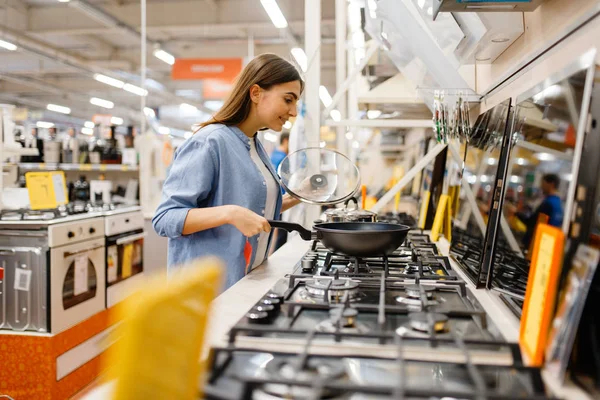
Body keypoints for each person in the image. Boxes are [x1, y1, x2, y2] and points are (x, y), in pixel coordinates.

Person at [152, 54, 303, 290]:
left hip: (242, 282)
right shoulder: (210, 142)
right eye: (288, 99)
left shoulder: (255, 144)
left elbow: (251, 207)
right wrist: (230, 213)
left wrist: (296, 198)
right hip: (206, 293)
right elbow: (165, 219)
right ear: (255, 93)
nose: (293, 111)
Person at [515, 173, 564, 249]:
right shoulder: (559, 204)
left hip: (536, 245)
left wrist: (516, 213)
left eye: (543, 184)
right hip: (548, 245)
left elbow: (532, 223)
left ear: (551, 184)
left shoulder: (548, 203)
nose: (541, 187)